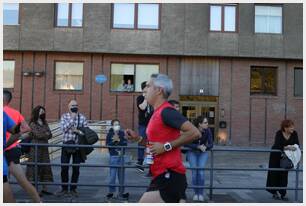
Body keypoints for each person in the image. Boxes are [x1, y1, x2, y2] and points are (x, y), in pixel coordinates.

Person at [125, 74, 201, 203]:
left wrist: (166, 147)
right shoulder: (156, 113)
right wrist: (138, 138)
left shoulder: (167, 111)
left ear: (159, 90)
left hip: (170, 175)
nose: (145, 91)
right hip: (161, 175)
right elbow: (154, 145)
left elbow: (195, 133)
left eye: (148, 86)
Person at [3, 90, 41, 203]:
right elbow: (26, 130)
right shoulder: (14, 112)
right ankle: (39, 202)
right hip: (12, 149)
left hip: (7, 150)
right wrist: (17, 139)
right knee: (22, 181)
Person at [57, 100, 88, 197]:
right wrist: (72, 119)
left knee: (76, 168)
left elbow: (86, 132)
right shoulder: (64, 116)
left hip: (77, 146)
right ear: (68, 107)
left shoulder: (82, 117)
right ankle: (64, 188)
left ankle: (73, 189)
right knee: (64, 167)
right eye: (72, 105)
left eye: (76, 105)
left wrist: (78, 131)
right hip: (66, 145)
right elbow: (63, 129)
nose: (74, 107)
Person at [266, 119, 300, 201]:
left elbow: (297, 144)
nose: (293, 128)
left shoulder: (294, 133)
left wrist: (293, 147)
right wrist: (288, 147)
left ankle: (283, 194)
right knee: (274, 173)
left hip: (286, 157)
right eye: (291, 127)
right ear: (285, 128)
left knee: (284, 175)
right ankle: (274, 193)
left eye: (293, 127)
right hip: (275, 156)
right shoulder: (279, 133)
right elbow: (278, 145)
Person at [26, 106, 54, 196]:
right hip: (35, 149)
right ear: (37, 112)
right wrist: (45, 133)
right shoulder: (33, 123)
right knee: (35, 168)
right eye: (41, 111)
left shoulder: (45, 122)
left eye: (43, 112)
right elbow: (38, 135)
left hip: (44, 149)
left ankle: (45, 189)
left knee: (45, 167)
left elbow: (50, 134)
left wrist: (45, 134)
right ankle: (34, 191)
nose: (42, 113)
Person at [185, 116, 213, 202]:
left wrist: (205, 147)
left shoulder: (208, 131)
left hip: (203, 153)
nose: (207, 124)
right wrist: (197, 146)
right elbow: (186, 143)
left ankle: (200, 194)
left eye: (207, 122)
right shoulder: (192, 130)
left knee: (200, 172)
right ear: (199, 124)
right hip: (192, 152)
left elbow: (211, 144)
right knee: (194, 173)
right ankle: (195, 193)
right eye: (205, 123)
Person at [105, 119, 129, 200]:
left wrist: (119, 140)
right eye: (115, 124)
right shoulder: (109, 134)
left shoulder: (122, 133)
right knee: (112, 175)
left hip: (121, 156)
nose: (117, 126)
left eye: (118, 124)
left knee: (121, 175)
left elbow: (125, 144)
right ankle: (111, 192)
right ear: (112, 126)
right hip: (113, 156)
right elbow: (107, 145)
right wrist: (114, 141)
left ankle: (121, 192)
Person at [135, 81, 153, 173]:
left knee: (151, 144)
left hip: (152, 125)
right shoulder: (140, 98)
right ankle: (140, 162)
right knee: (141, 142)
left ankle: (151, 166)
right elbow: (142, 107)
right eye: (148, 87)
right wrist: (146, 97)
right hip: (143, 124)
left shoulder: (153, 98)